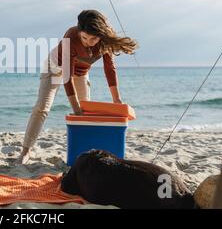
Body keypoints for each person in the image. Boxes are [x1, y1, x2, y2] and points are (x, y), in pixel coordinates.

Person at [18, 10, 138, 164]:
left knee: (86, 112)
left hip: (80, 72)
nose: (88, 41)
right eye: (84, 37)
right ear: (79, 32)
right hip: (55, 66)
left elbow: (109, 68)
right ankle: (26, 151)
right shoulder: (71, 35)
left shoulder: (105, 41)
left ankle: (85, 153)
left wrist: (117, 100)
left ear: (101, 35)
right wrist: (75, 109)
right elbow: (67, 76)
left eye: (93, 38)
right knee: (42, 107)